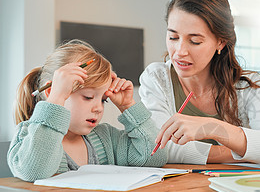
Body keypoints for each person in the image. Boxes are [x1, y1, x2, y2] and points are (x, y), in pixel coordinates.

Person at [139, 0, 260, 166]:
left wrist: (212, 128)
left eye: (195, 41)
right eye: (173, 37)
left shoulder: (250, 86)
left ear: (221, 42)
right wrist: (245, 152)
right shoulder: (156, 78)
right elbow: (160, 148)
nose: (179, 52)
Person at [8, 40, 167, 182]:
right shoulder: (27, 135)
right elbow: (34, 171)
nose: (98, 108)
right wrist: (55, 101)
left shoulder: (106, 138)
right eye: (88, 97)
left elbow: (155, 156)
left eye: (103, 100)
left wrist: (128, 106)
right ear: (52, 93)